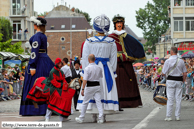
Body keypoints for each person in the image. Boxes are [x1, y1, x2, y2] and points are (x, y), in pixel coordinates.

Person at [77, 14, 118, 122]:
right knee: (103, 90)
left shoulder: (89, 41)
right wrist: (113, 72)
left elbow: (85, 58)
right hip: (106, 69)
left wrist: (84, 72)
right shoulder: (111, 42)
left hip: (92, 68)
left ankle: (93, 113)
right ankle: (102, 114)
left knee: (90, 91)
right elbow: (114, 60)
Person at [19, 16, 54, 116]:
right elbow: (45, 51)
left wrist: (32, 65)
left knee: (34, 84)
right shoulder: (43, 35)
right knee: (46, 84)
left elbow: (34, 51)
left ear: (36, 25)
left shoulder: (37, 36)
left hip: (37, 61)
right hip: (45, 61)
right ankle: (48, 107)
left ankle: (34, 109)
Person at [108, 15, 145, 109]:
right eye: (117, 23)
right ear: (115, 25)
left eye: (121, 23)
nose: (119, 25)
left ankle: (132, 102)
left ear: (123, 25)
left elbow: (138, 46)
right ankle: (117, 102)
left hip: (126, 64)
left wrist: (126, 56)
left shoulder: (127, 37)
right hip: (115, 64)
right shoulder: (110, 37)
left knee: (128, 83)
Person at [75, 54, 104, 123]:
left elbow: (85, 80)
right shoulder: (99, 68)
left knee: (85, 102)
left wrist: (82, 89)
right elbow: (101, 76)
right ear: (94, 59)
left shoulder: (87, 68)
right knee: (98, 102)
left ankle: (81, 118)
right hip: (97, 85)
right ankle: (101, 118)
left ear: (88, 60)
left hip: (90, 86)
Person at [162, 47, 187, 121]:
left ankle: (169, 116)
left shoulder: (167, 61)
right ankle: (177, 116)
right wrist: (183, 81)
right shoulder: (181, 61)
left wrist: (166, 74)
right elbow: (185, 73)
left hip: (170, 80)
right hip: (179, 80)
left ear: (172, 52)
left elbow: (163, 72)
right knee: (178, 99)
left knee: (170, 99)